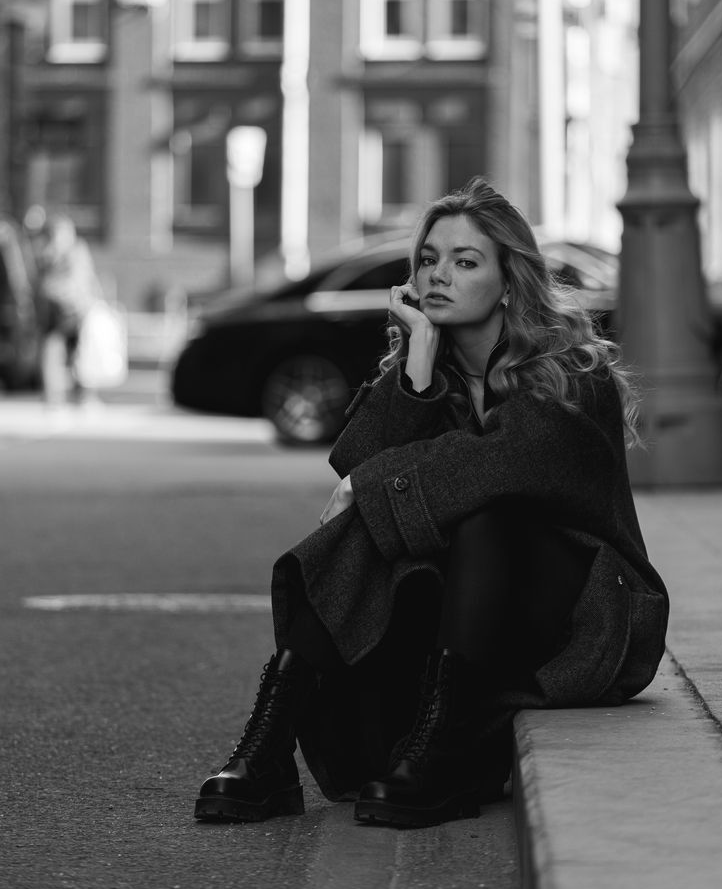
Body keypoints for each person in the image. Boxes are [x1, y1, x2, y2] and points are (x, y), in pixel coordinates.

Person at [194, 177, 669, 829]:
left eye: (465, 261)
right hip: (471, 621)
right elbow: (360, 467)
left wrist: (370, 483)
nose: (438, 274)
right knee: (394, 519)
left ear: (509, 281)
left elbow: (496, 463)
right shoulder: (432, 373)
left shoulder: (571, 372)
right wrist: (415, 367)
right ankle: (271, 743)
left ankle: (446, 750)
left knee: (485, 510)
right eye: (428, 259)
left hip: (586, 613)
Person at [33, 213, 101, 408]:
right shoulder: (72, 251)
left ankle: (59, 396)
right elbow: (85, 279)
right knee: (72, 351)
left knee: (61, 351)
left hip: (60, 308)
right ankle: (76, 396)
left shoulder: (45, 252)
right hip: (68, 308)